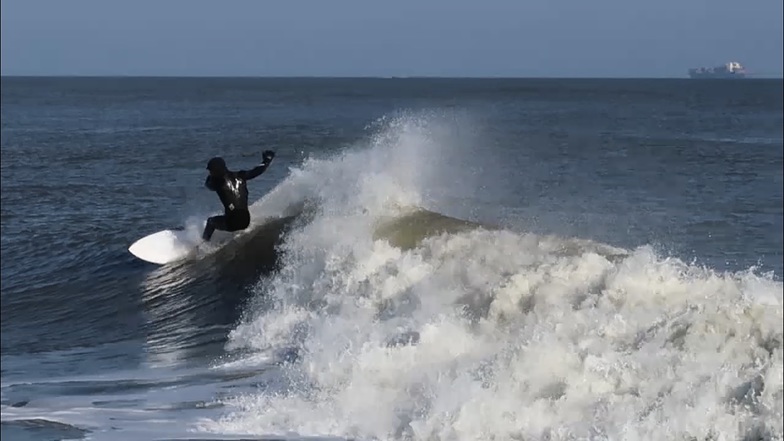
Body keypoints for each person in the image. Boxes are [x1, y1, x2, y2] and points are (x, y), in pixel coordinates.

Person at [201, 150, 276, 241]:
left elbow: (208, 185)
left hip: (232, 222)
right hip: (246, 220)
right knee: (229, 212)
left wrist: (210, 179)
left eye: (211, 171)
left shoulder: (218, 184)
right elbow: (257, 171)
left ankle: (203, 244)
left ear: (217, 171)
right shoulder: (241, 175)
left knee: (210, 222)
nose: (210, 173)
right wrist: (267, 160)